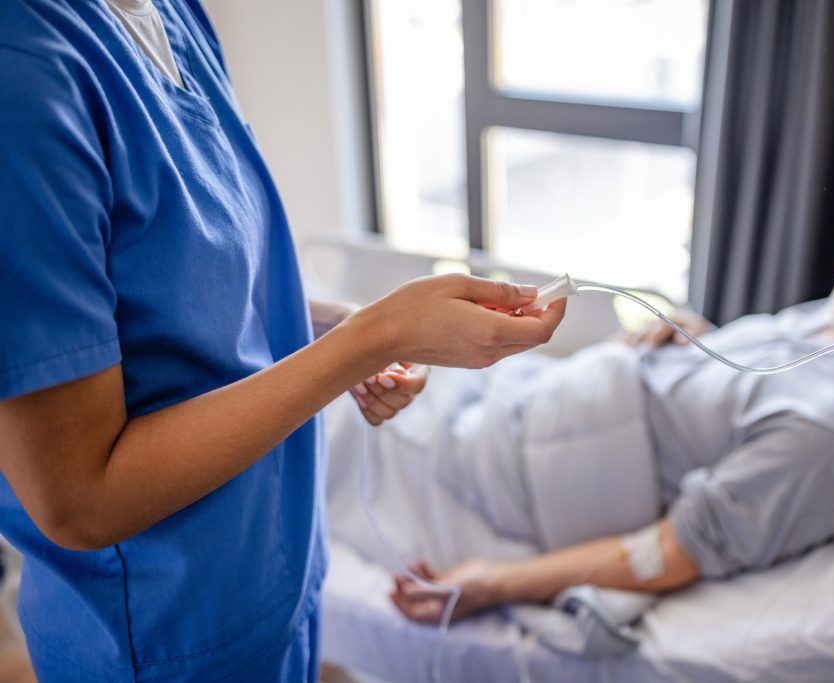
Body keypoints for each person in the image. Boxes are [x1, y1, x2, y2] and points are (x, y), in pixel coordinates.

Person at [0, 1, 563, 682]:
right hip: (166, 635)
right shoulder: (24, 81)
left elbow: (193, 286)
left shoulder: (170, 14)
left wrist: (341, 325)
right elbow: (81, 500)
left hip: (274, 574)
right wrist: (374, 336)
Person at [372, 184, 834, 624]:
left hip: (496, 469)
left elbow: (670, 552)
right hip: (527, 397)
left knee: (342, 398)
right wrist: (697, 342)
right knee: (368, 350)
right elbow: (753, 391)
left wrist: (491, 583)